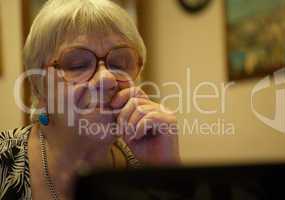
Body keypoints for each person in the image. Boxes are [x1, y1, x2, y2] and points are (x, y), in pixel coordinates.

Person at [0, 0, 180, 199]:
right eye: (77, 65)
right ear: (38, 86)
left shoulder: (145, 169)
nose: (107, 79)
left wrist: (166, 175)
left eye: (120, 63)